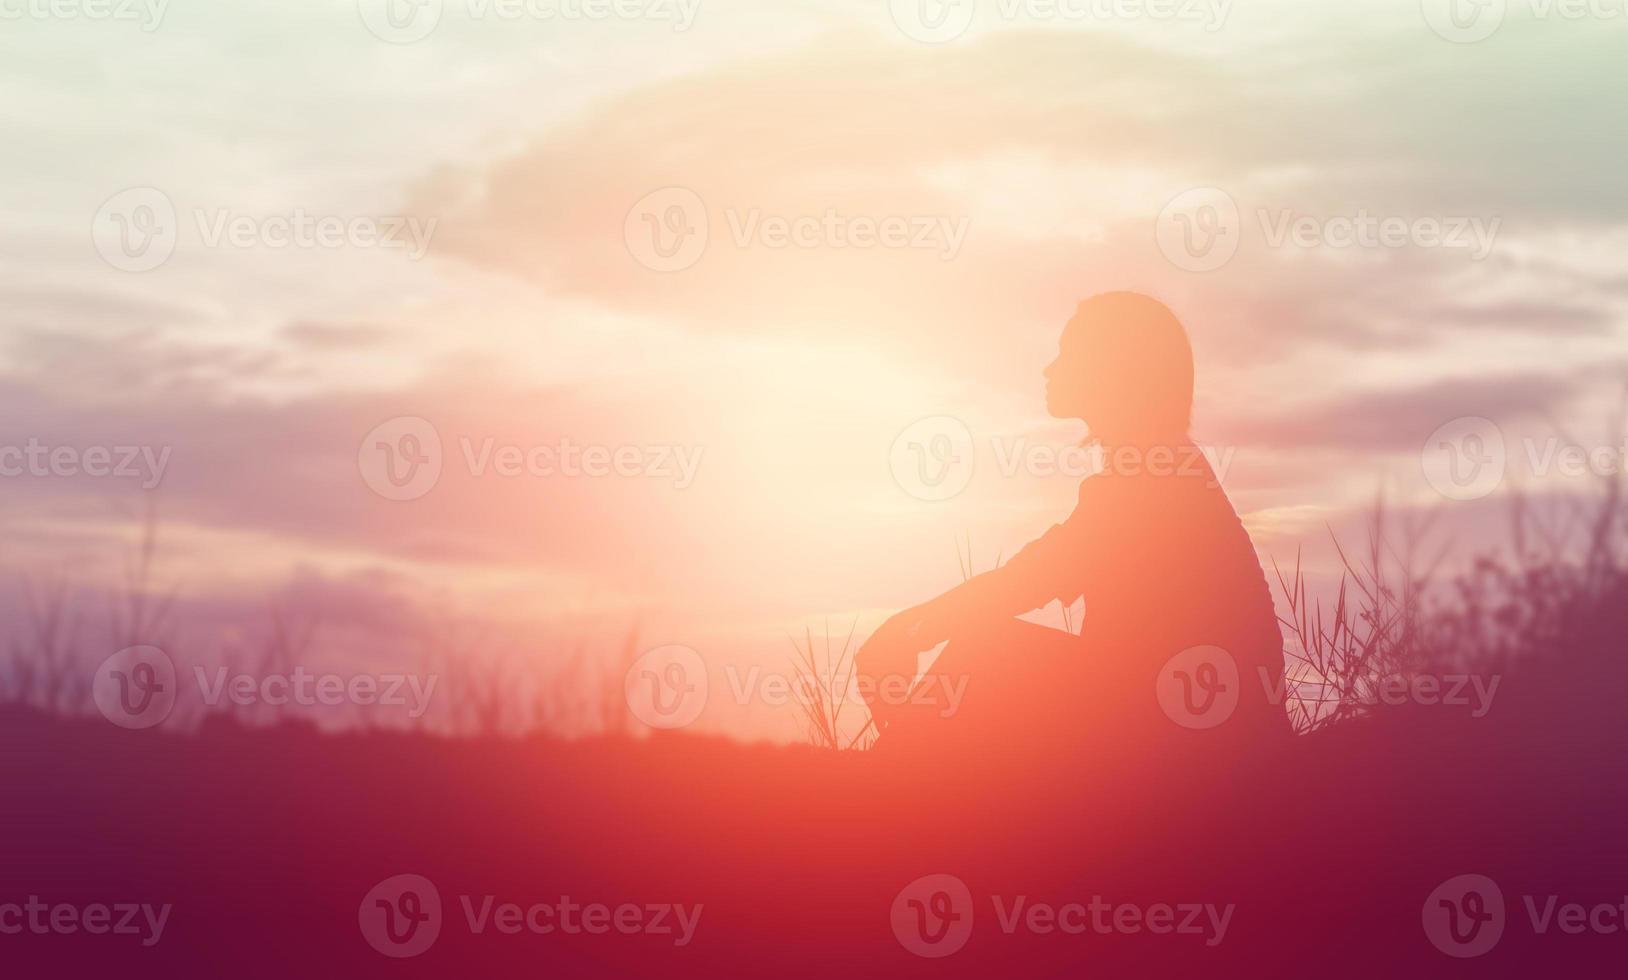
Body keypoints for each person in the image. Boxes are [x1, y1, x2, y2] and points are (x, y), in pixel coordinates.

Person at [857, 292, 1285, 751]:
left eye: (1067, 354)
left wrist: (914, 629)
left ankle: (890, 791)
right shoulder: (1163, 467)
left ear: (1111, 370)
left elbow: (1036, 576)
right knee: (985, 654)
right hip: (1202, 732)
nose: (1050, 369)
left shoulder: (1152, 479)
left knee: (982, 649)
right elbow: (1048, 566)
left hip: (1187, 748)